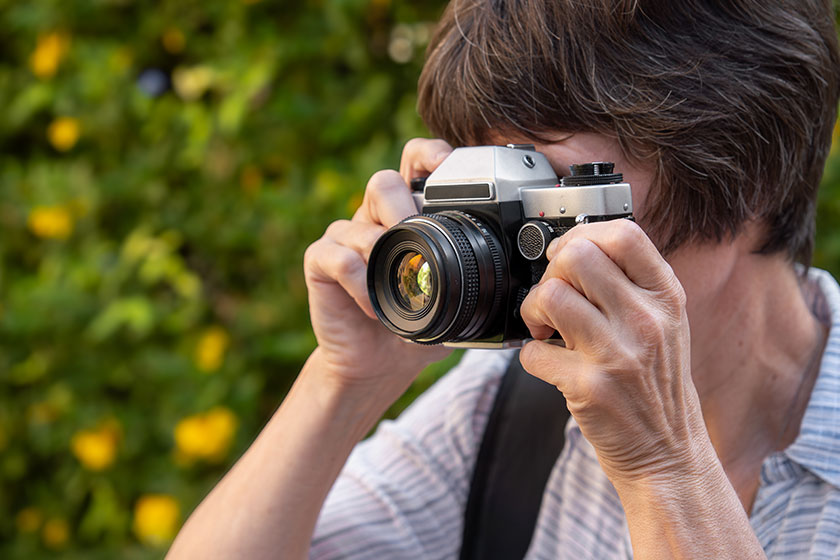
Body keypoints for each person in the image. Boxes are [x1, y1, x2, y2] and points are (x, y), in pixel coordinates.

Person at [167, 0, 840, 558]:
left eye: (548, 188)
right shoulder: (510, 413)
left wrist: (662, 471)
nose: (506, 236)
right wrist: (344, 380)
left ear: (747, 182)